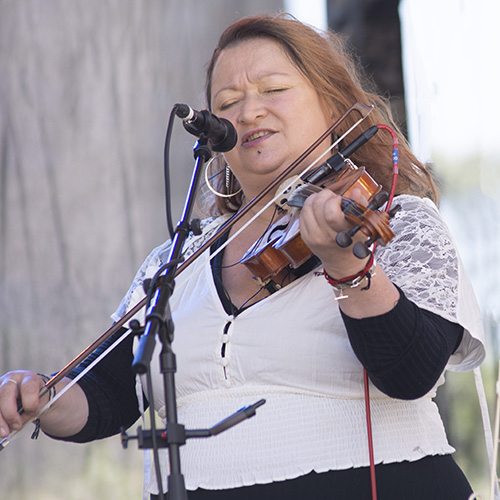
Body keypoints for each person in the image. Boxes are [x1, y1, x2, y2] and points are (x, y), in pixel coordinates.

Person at [0, 13, 485, 500]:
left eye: (273, 90)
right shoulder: (180, 258)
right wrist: (40, 398)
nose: (249, 112)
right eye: (227, 103)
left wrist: (351, 271)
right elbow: (110, 394)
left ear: (331, 100)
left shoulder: (398, 220)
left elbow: (412, 373)